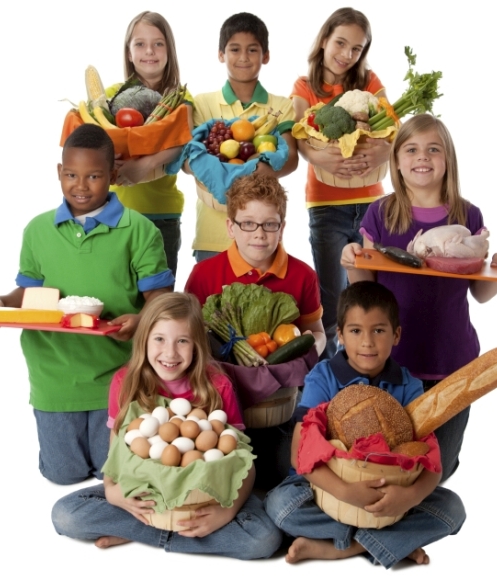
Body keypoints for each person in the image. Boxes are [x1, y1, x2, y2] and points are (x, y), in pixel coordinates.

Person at [0, 124, 173, 485]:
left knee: (111, 474)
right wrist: (2, 302)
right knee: (62, 475)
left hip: (116, 374)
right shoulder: (37, 230)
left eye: (94, 176)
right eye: (71, 175)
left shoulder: (139, 230)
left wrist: (140, 319)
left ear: (113, 176)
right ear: (59, 172)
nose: (80, 186)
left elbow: (159, 302)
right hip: (53, 374)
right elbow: (29, 292)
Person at [340, 114, 497, 481]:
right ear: (398, 160)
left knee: (439, 467)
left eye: (433, 149)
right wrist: (352, 261)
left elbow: (481, 293)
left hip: (451, 361)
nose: (423, 157)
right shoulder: (381, 213)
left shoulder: (469, 215)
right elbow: (365, 290)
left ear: (447, 159)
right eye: (412, 149)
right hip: (390, 362)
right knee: (386, 462)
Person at [52, 293, 282, 560]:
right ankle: (175, 532)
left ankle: (145, 532)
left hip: (206, 494)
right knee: (66, 515)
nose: (170, 353)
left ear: (197, 345)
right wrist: (114, 492)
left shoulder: (217, 386)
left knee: (264, 540)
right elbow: (115, 451)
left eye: (182, 341)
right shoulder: (126, 382)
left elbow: (241, 461)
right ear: (144, 339)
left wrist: (225, 513)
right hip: (145, 493)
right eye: (159, 339)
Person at [264, 281, 466, 567]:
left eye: (379, 331)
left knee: (453, 508)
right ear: (341, 336)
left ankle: (343, 547)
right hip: (325, 488)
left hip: (390, 491)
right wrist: (345, 492)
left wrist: (408, 497)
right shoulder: (324, 378)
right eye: (356, 331)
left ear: (396, 335)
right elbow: (300, 450)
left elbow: (432, 460)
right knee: (280, 507)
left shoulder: (409, 385)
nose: (367, 342)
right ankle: (392, 542)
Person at [185, 174, 325, 490]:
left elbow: (315, 331)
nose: (259, 235)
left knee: (278, 477)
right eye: (248, 223)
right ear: (230, 227)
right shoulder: (205, 274)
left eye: (269, 224)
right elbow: (193, 338)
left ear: (282, 227)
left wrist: (304, 354)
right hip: (221, 403)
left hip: (282, 398)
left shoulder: (303, 275)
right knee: (224, 478)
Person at [292, 8, 391, 360]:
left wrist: (383, 155)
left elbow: (392, 127)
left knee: (370, 300)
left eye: (356, 49)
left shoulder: (370, 83)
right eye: (340, 43)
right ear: (323, 40)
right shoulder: (305, 87)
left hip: (372, 207)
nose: (347, 54)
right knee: (332, 299)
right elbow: (298, 135)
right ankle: (334, 379)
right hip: (325, 206)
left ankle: (371, 374)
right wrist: (316, 156)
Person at [190, 12, 298, 263]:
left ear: (266, 55)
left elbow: (290, 158)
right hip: (212, 235)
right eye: (234, 49)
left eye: (252, 50)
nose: (243, 57)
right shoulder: (202, 103)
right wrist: (254, 172)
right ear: (221, 54)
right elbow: (192, 160)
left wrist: (238, 171)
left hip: (263, 237)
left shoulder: (282, 105)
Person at [110, 11, 193, 278]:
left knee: (158, 307)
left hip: (162, 215)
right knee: (117, 300)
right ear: (129, 53)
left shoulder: (180, 97)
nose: (150, 51)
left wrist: (144, 164)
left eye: (158, 43)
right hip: (114, 214)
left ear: (169, 50)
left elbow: (184, 140)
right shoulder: (113, 96)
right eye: (140, 44)